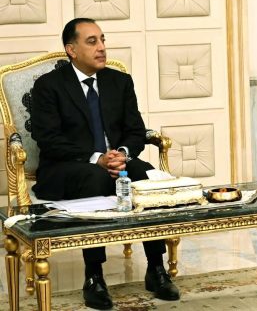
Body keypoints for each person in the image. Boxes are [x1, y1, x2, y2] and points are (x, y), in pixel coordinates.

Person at [31, 18, 180, 310]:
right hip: (67, 166)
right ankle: (94, 276)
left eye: (102, 40)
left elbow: (136, 130)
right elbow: (48, 139)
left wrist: (122, 153)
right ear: (71, 50)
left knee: (144, 175)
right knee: (95, 178)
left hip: (115, 160)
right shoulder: (49, 86)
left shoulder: (119, 81)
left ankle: (156, 268)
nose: (101, 47)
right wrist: (97, 158)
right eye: (92, 42)